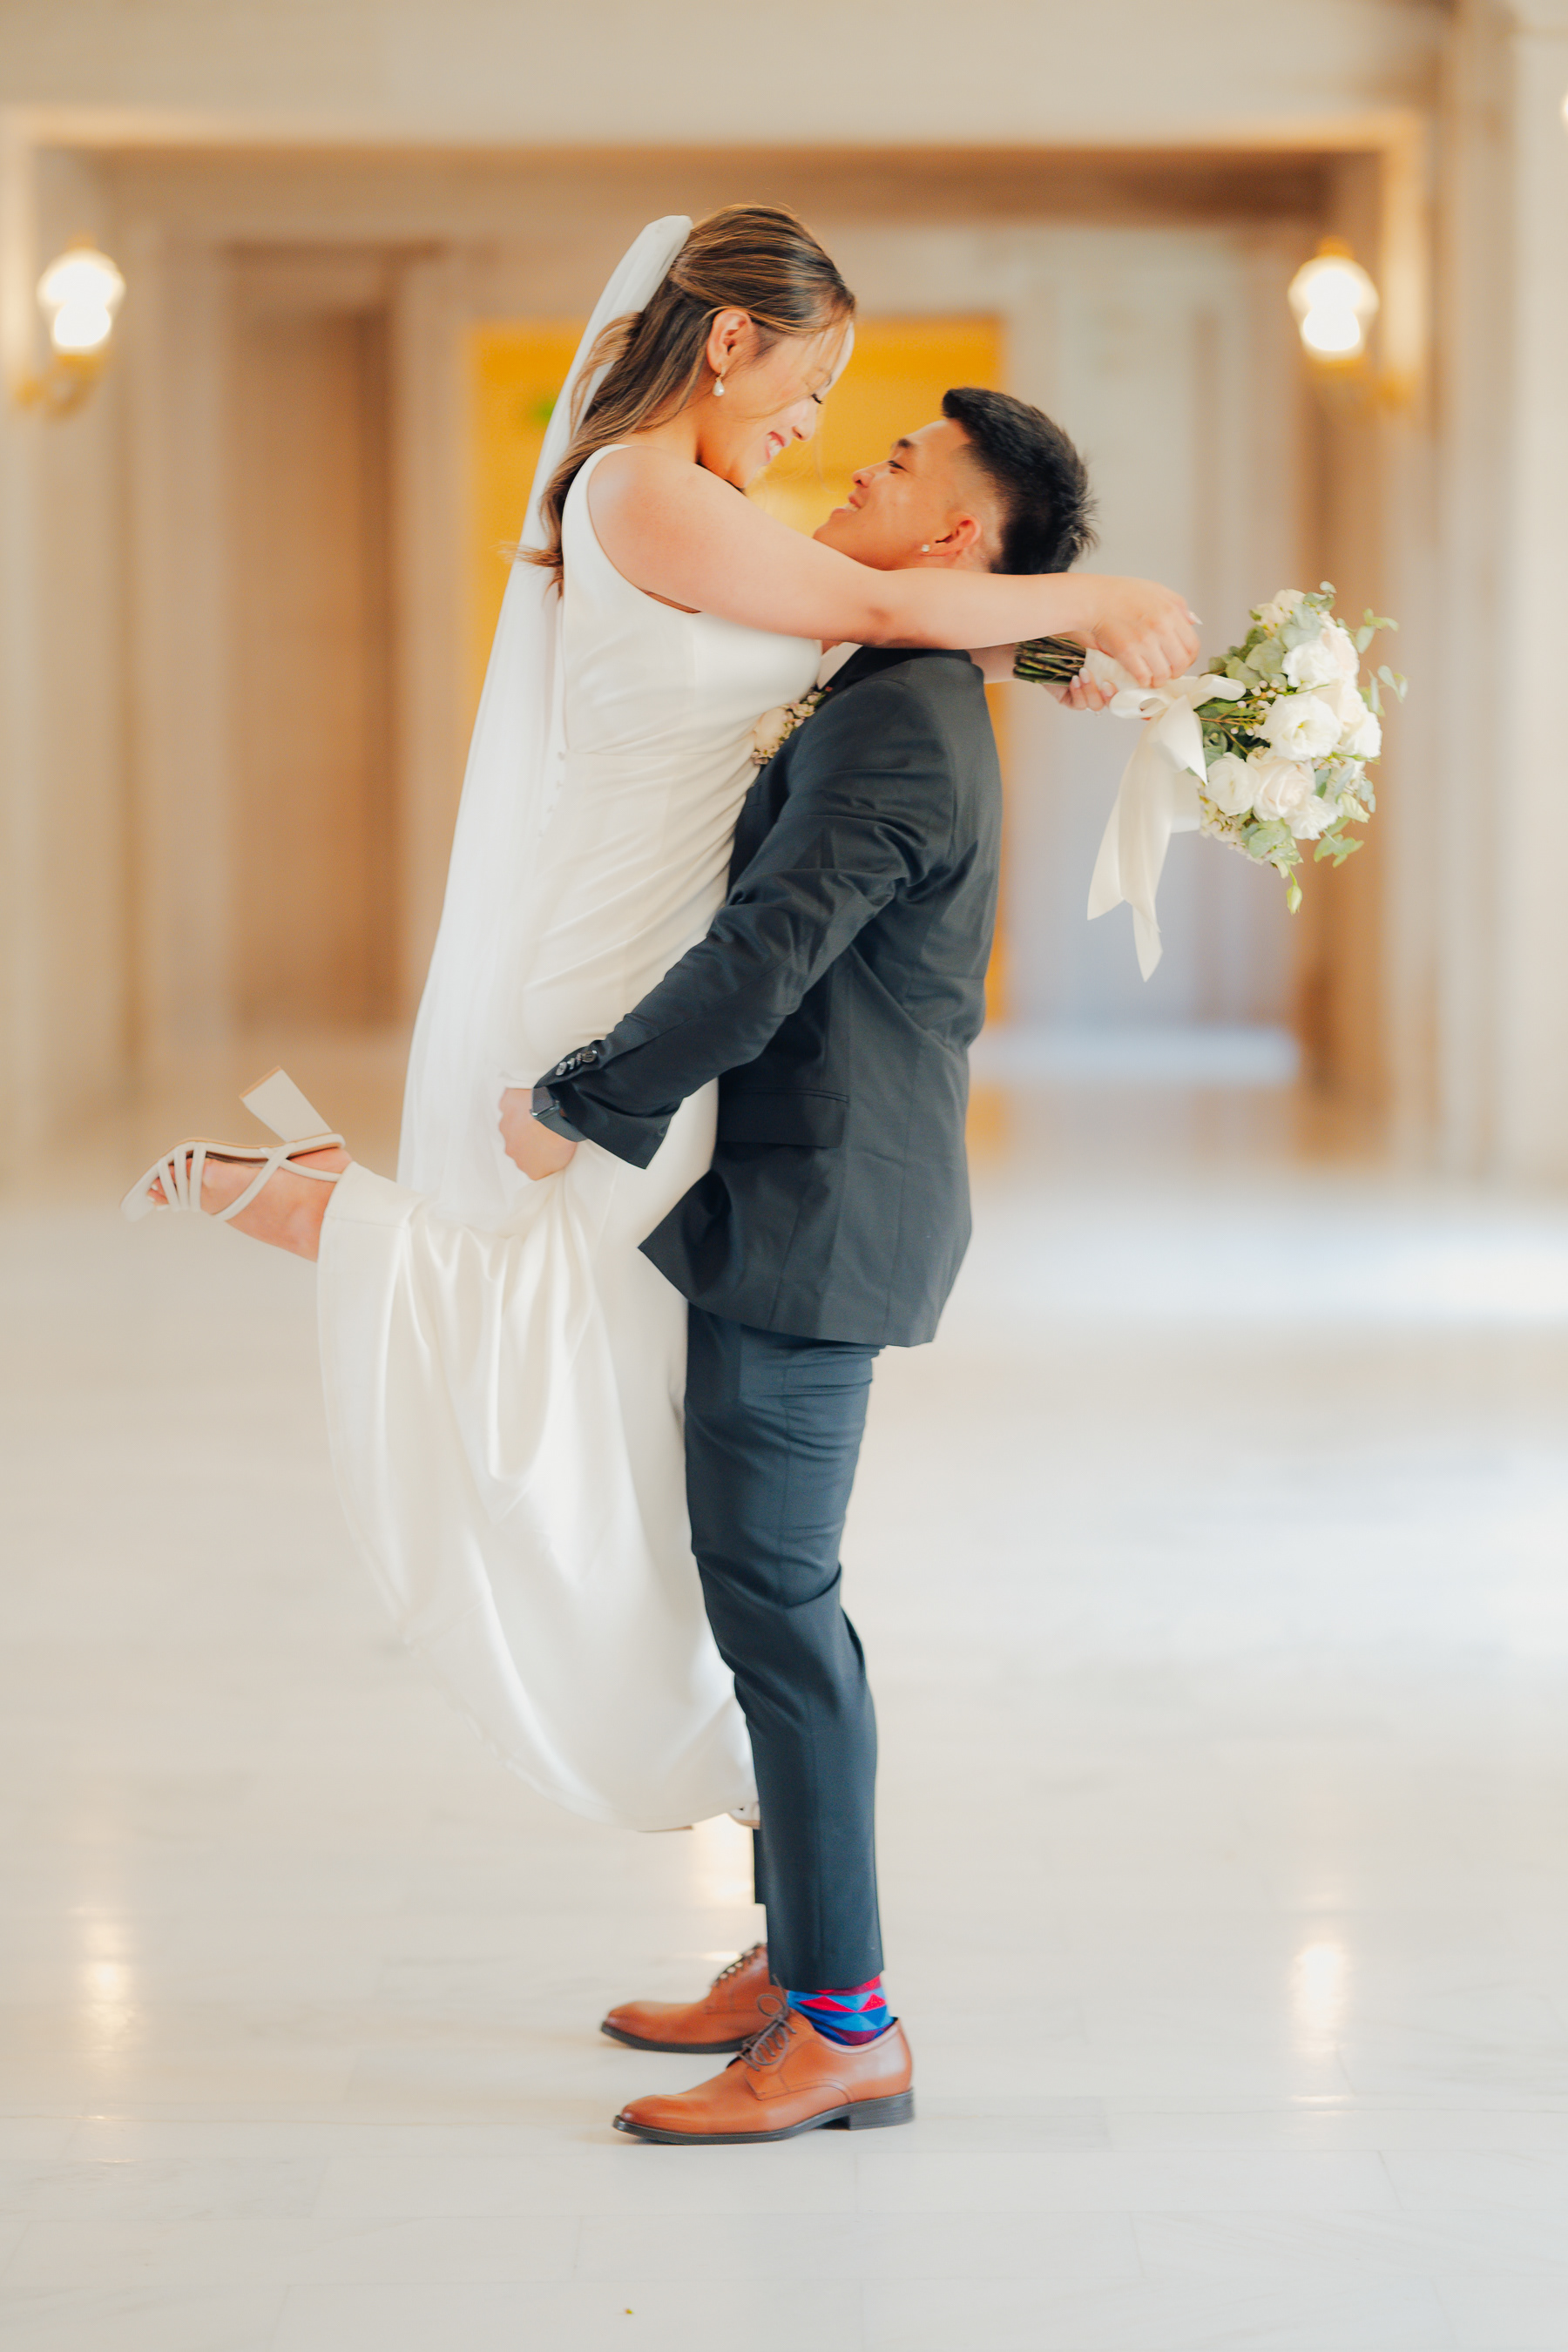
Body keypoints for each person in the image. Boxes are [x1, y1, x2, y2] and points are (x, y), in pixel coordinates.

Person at [123, 209, 1197, 1852]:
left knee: (604, 1334)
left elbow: (864, 613)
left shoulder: (713, 510)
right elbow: (881, 612)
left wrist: (1077, 656)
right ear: (728, 342)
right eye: (811, 387)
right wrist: (1098, 597)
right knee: (547, 1300)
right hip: (625, 954)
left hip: (662, 940)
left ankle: (745, 1786)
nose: (814, 429)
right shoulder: (639, 489)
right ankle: (300, 1202)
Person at [501, 388, 1091, 2141]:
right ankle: (791, 1959)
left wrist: (582, 1101)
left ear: (958, 540)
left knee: (779, 1601)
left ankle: (845, 2022)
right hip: (803, 1196)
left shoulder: (905, 718)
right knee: (766, 1595)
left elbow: (768, 953)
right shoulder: (897, 678)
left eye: (901, 464)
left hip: (820, 1212)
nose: (861, 466)